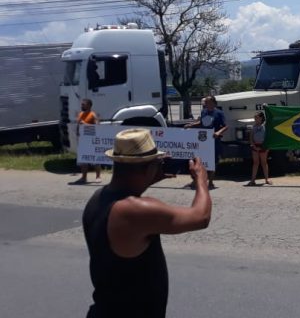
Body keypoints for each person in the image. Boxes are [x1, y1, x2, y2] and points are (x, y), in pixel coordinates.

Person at [82, 128, 212, 318]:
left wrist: (147, 177)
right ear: (147, 168)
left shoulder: (98, 199)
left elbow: (128, 185)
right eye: (156, 163)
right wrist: (201, 180)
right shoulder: (136, 210)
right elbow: (201, 217)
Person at [184, 96, 227, 189]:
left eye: (207, 102)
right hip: (203, 140)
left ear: (213, 103)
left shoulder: (219, 113)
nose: (205, 104)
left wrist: (218, 132)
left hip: (214, 141)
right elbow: (201, 123)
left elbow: (225, 126)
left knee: (212, 161)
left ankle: (210, 182)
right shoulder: (204, 112)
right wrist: (191, 125)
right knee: (199, 161)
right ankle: (196, 181)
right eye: (205, 102)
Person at [73, 98, 101, 184]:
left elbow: (98, 127)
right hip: (83, 141)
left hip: (92, 140)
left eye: (83, 104)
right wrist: (77, 133)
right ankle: (84, 177)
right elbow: (78, 125)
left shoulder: (93, 115)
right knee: (84, 159)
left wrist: (85, 124)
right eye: (82, 104)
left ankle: (98, 177)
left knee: (95, 159)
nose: (82, 106)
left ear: (89, 105)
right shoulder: (80, 114)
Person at [246, 112, 271, 186]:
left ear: (261, 118)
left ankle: (267, 179)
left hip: (263, 146)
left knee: (264, 162)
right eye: (255, 118)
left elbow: (268, 137)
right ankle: (253, 180)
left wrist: (267, 147)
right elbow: (251, 138)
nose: (255, 119)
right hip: (255, 146)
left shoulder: (265, 126)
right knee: (255, 163)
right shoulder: (253, 127)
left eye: (256, 117)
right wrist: (253, 146)